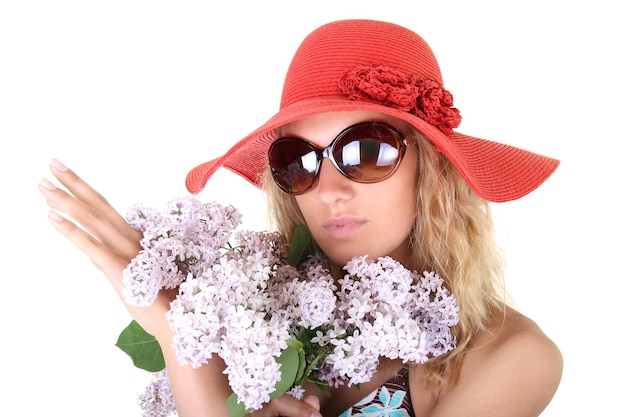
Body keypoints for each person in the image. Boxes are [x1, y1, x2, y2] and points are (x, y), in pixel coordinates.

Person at [39, 19, 563, 417]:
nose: (330, 192)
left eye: (366, 152)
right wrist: (186, 329)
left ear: (432, 171)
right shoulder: (249, 316)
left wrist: (182, 342)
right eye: (300, 159)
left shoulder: (512, 357)